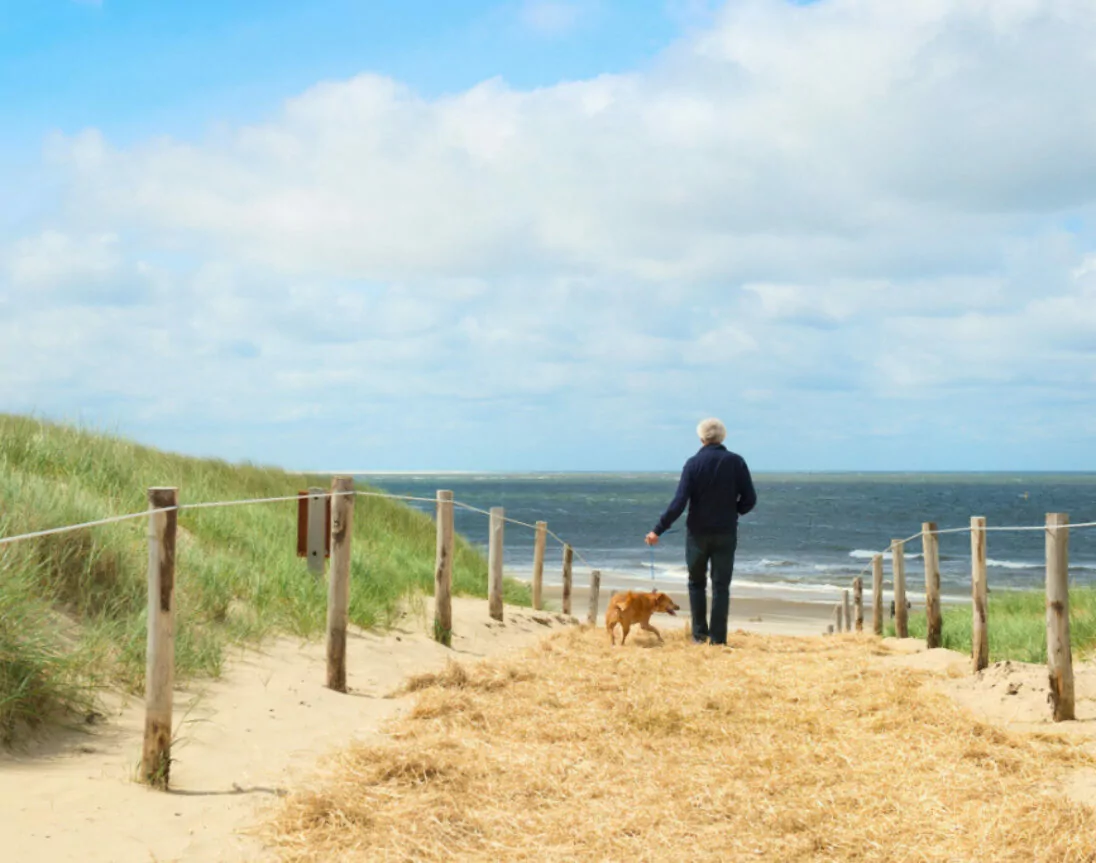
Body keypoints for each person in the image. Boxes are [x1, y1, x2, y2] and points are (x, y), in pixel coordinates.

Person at [645, 418, 757, 645]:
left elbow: (679, 503)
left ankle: (699, 635)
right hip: (726, 532)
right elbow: (750, 499)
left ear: (701, 438)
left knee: (696, 583)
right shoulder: (736, 462)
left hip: (697, 534)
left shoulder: (693, 463)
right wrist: (734, 511)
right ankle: (718, 639)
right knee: (721, 586)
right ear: (722, 437)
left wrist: (658, 530)